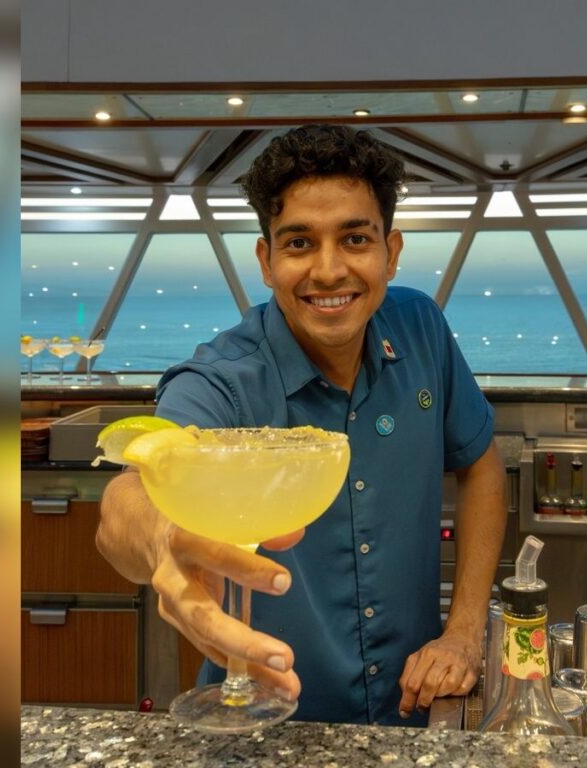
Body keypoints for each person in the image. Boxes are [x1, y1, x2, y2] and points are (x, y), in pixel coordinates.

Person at [97, 124, 506, 726]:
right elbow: (124, 501)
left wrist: (464, 630)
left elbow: (481, 464)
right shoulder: (223, 380)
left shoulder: (421, 328)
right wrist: (162, 541)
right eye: (298, 244)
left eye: (355, 238)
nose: (328, 270)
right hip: (263, 725)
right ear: (266, 260)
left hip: (413, 715)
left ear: (391, 252)